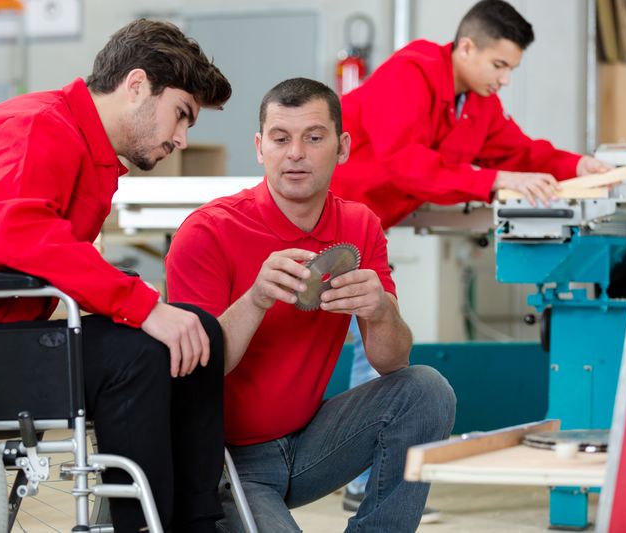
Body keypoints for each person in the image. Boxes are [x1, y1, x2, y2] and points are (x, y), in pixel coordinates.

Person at [0, 19, 232, 533]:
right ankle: (147, 526)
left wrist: (150, 309)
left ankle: (197, 521)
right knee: (141, 354)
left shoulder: (80, 142)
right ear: (137, 86)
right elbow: (14, 229)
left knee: (199, 332)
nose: (182, 139)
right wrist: (143, 305)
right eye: (181, 116)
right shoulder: (36, 126)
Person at [331, 0, 610, 514]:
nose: (504, 79)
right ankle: (351, 481)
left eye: (512, 69)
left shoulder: (476, 101)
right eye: (499, 65)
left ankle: (360, 482)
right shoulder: (410, 73)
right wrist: (494, 181)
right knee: (367, 355)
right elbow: (406, 164)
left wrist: (578, 163)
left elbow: (519, 152)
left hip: (369, 231)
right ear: (466, 47)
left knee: (370, 351)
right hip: (330, 225)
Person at [165, 77, 456, 532]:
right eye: (281, 139)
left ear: (341, 148)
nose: (295, 153)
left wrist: (380, 310)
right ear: (261, 147)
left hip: (308, 445)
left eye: (313, 138)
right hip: (223, 463)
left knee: (425, 389)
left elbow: (390, 361)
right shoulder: (207, 232)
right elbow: (196, 374)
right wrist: (256, 298)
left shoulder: (360, 225)